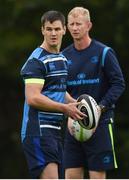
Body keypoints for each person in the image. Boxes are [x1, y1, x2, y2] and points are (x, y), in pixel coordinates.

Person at [20, 10, 85, 179]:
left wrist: (77, 105)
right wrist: (65, 109)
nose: (53, 33)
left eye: (57, 29)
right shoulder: (37, 61)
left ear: (64, 29)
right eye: (49, 29)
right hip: (38, 131)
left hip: (55, 132)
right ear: (42, 30)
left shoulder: (61, 59)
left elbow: (58, 91)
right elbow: (33, 97)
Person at [63, 7, 125, 179]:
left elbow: (119, 84)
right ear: (67, 27)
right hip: (73, 124)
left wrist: (99, 108)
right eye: (72, 24)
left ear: (89, 25)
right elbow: (59, 89)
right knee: (71, 175)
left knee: (97, 176)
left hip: (101, 123)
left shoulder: (104, 52)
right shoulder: (63, 56)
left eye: (79, 24)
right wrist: (68, 109)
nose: (75, 28)